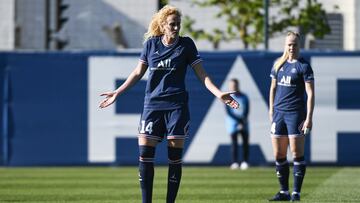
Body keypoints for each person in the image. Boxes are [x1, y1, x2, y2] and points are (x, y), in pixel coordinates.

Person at [99, 5, 239, 203]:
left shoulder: (186, 45)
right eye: (172, 24)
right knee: (145, 156)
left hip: (176, 107)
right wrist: (117, 92)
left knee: (174, 158)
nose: (176, 28)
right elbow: (137, 73)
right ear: (163, 25)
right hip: (152, 107)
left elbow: (203, 75)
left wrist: (219, 94)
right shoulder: (150, 44)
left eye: (178, 25)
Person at [268, 31, 315, 201]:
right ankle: (284, 192)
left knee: (296, 153)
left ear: (299, 45)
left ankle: (296, 192)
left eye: (294, 44)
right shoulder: (278, 65)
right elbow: (273, 88)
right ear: (285, 45)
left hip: (296, 114)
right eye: (289, 44)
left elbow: (310, 94)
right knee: (279, 154)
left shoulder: (304, 66)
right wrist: (271, 110)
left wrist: (309, 117)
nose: (291, 47)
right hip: (279, 114)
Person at [225, 79, 250, 170]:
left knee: (245, 143)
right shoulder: (227, 97)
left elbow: (247, 109)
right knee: (234, 143)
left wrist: (242, 121)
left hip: (244, 123)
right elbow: (228, 112)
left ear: (237, 85)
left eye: (234, 85)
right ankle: (234, 162)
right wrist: (238, 121)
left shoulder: (244, 97)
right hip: (232, 124)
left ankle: (245, 162)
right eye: (231, 85)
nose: (233, 87)